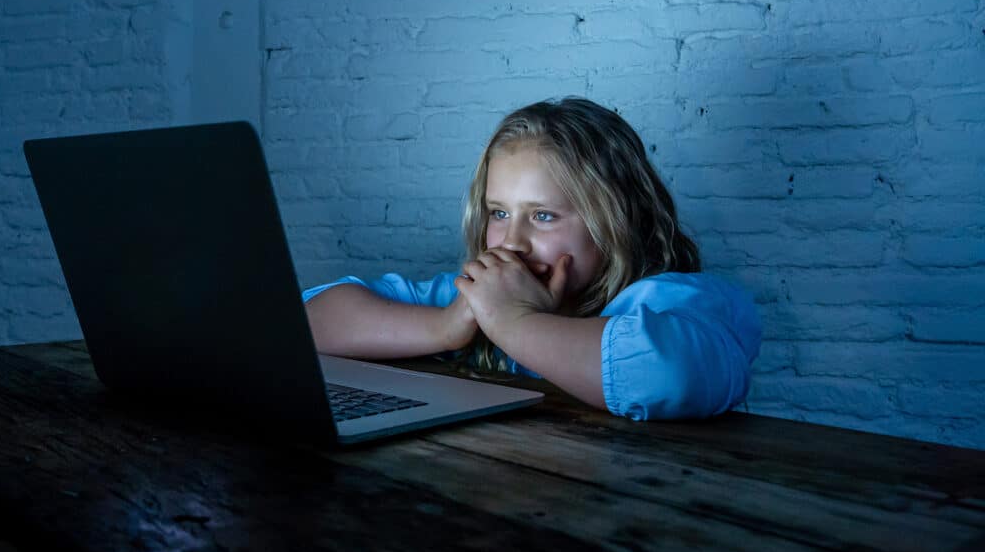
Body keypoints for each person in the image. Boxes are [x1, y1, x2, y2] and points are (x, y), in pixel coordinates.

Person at [302, 97, 761, 420]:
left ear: (617, 219)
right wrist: (443, 326)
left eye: (543, 216)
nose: (513, 241)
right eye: (499, 213)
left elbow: (671, 373)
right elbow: (307, 322)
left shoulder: (667, 301)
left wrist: (514, 323)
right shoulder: (477, 297)